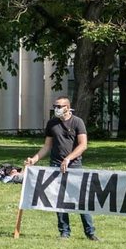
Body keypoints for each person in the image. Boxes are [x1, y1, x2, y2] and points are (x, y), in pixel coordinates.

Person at [25, 96, 99, 241]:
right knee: (59, 201)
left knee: (80, 200)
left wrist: (69, 158)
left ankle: (90, 232)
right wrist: (34, 159)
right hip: (55, 166)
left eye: (59, 106)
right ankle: (64, 232)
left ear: (67, 107)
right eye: (55, 106)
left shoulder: (77, 122)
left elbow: (83, 145)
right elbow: (47, 146)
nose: (56, 109)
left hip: (75, 166)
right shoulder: (52, 123)